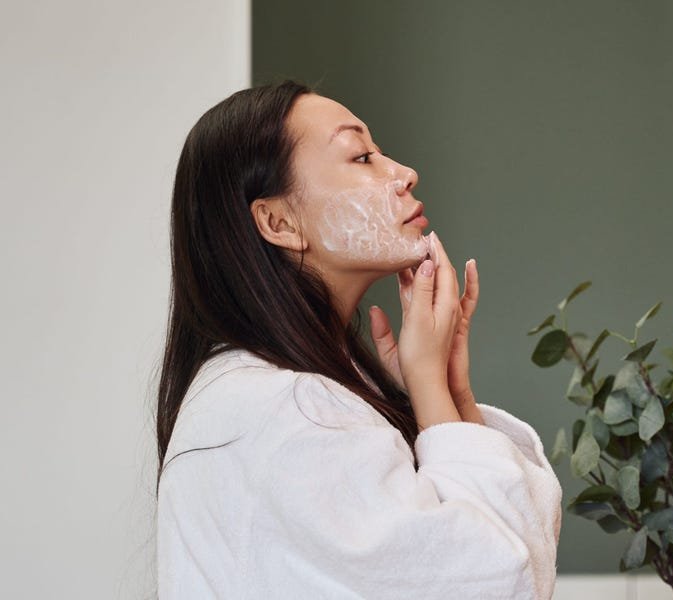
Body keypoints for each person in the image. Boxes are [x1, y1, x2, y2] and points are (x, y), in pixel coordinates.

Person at [154, 80, 562, 599]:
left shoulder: (276, 396)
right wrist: (428, 385)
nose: (404, 173)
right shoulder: (282, 409)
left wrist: (449, 391)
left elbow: (517, 562)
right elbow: (494, 583)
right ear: (279, 222)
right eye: (362, 156)